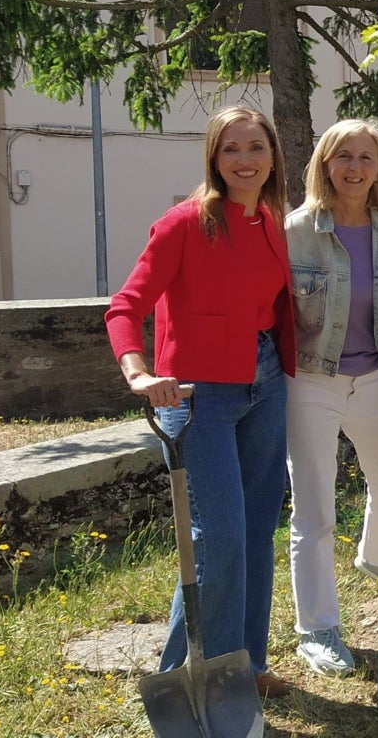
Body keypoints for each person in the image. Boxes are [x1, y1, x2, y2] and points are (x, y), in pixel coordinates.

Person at [105, 105, 297, 699]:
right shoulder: (184, 223)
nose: (245, 160)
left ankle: (246, 663)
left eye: (256, 148)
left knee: (257, 527)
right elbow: (125, 306)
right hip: (197, 397)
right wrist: (139, 371)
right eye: (231, 149)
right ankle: (183, 679)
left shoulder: (270, 220)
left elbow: (276, 307)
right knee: (218, 536)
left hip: (264, 384)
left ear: (273, 157)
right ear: (213, 158)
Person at [284, 117, 378, 678]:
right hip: (310, 381)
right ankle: (319, 629)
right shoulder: (295, 232)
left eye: (366, 157)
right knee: (316, 509)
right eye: (342, 156)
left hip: (376, 377)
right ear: (325, 164)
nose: (354, 167)